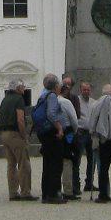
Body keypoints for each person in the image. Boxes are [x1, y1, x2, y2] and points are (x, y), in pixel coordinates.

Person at [0, 79, 34, 201]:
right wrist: (24, 135)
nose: (24, 89)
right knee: (24, 163)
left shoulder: (5, 99)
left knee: (11, 164)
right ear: (18, 88)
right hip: (15, 133)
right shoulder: (19, 99)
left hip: (4, 134)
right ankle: (25, 192)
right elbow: (20, 119)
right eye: (23, 86)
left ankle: (13, 192)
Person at [35, 73, 67, 204]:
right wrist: (59, 128)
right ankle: (54, 193)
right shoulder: (52, 96)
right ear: (55, 86)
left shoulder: (42, 95)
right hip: (52, 133)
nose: (60, 86)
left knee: (47, 163)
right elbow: (51, 114)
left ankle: (46, 193)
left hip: (43, 133)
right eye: (59, 84)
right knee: (56, 163)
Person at [57, 86, 81, 199]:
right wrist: (75, 131)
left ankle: (56, 189)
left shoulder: (53, 101)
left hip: (55, 132)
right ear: (65, 92)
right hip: (68, 133)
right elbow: (74, 120)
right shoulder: (66, 102)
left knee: (56, 161)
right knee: (68, 161)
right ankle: (68, 190)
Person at [74, 80, 96, 195]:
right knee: (77, 159)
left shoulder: (94, 102)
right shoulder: (76, 101)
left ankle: (89, 183)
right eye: (84, 90)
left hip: (91, 133)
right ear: (80, 90)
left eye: (88, 90)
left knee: (92, 160)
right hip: (81, 132)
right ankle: (76, 184)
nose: (86, 92)